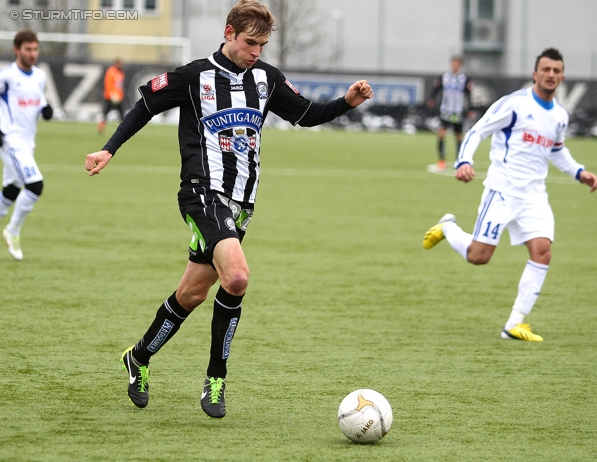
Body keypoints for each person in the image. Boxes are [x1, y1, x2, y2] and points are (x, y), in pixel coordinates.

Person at [84, 0, 373, 418]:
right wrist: (109, 149)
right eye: (250, 42)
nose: (257, 51)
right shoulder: (193, 75)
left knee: (193, 293)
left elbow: (307, 114)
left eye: (263, 45)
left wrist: (346, 101)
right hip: (202, 193)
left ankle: (139, 357)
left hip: (242, 204)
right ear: (229, 32)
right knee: (236, 278)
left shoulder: (266, 79)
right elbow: (145, 104)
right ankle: (216, 378)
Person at [422, 48, 597, 342]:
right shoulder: (515, 104)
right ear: (535, 74)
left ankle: (514, 324)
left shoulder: (559, 116)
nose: (551, 75)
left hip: (534, 197)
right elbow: (477, 131)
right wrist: (464, 161)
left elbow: (557, 150)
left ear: (562, 76)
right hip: (502, 192)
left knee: (542, 251)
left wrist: (579, 172)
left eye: (557, 71)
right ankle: (448, 228)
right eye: (546, 69)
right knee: (479, 257)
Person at [0, 30, 53, 261]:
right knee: (34, 185)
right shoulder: (7, 77)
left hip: (28, 143)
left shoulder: (40, 76)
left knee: (10, 191)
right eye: (27, 49)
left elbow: (39, 99)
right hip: (10, 140)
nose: (32, 53)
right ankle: (12, 231)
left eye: (35, 49)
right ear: (16, 50)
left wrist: (45, 108)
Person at [426, 56, 472, 170]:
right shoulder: (444, 77)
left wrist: (470, 108)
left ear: (460, 65)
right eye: (453, 64)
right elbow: (436, 88)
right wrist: (431, 99)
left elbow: (468, 93)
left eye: (457, 64)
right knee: (441, 133)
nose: (455, 66)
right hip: (446, 111)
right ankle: (442, 159)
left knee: (458, 137)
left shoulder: (464, 78)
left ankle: (459, 159)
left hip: (458, 112)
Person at [97, 59, 125, 134]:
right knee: (105, 113)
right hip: (110, 97)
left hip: (118, 97)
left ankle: (124, 129)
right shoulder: (111, 71)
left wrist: (119, 95)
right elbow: (108, 84)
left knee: (121, 113)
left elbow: (119, 86)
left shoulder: (120, 72)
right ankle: (101, 127)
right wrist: (112, 94)